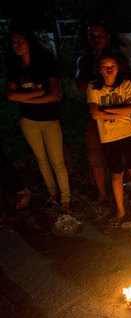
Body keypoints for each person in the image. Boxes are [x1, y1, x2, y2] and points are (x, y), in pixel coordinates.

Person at [5, 26, 71, 211]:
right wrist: (39, 94)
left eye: (20, 41)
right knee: (41, 159)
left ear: (29, 42)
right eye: (14, 42)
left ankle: (66, 199)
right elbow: (10, 95)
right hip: (28, 120)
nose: (16, 45)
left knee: (57, 161)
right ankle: (53, 195)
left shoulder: (44, 63)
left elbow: (53, 94)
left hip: (49, 118)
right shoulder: (14, 67)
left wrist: (25, 96)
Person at [87, 51, 131, 227]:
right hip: (109, 137)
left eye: (112, 65)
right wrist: (121, 109)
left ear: (118, 67)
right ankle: (121, 211)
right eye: (105, 66)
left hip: (128, 133)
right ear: (99, 69)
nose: (109, 69)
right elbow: (95, 114)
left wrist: (107, 111)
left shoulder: (125, 84)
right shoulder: (94, 87)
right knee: (116, 173)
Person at [76, 23, 112, 204]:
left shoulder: (117, 59)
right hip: (93, 115)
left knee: (116, 155)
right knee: (95, 153)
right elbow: (80, 85)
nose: (96, 39)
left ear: (108, 37)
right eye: (93, 36)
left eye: (100, 35)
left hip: (115, 115)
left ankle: (117, 191)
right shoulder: (84, 60)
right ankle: (102, 193)